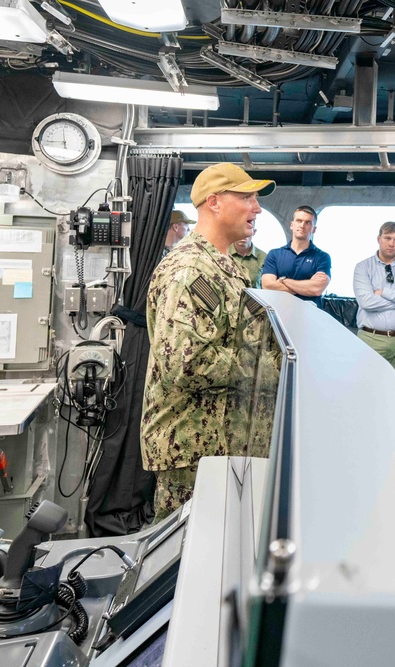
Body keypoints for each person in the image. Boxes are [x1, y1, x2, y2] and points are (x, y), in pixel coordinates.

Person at [141, 163, 275, 522]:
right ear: (214, 203)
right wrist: (273, 369)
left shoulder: (227, 266)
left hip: (228, 446)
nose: (257, 208)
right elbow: (188, 362)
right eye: (246, 197)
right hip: (197, 450)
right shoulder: (190, 270)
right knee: (188, 562)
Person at [354, 221, 395, 378]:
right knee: (368, 389)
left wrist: (383, 293)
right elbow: (367, 302)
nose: (391, 243)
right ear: (378, 239)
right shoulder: (363, 267)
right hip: (371, 339)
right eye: (387, 238)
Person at [261, 205, 331, 306]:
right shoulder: (274, 254)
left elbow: (316, 289)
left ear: (314, 229)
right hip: (280, 315)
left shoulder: (322, 257)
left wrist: (283, 280)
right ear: (291, 225)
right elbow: (267, 286)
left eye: (308, 222)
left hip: (309, 317)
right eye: (299, 221)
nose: (302, 225)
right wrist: (305, 286)